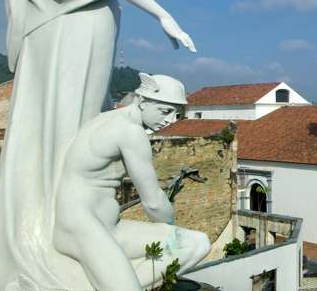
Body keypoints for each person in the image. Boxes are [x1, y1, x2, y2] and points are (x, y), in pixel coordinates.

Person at [0, 0, 195, 290]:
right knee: (68, 114)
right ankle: (63, 240)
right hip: (76, 30)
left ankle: (65, 234)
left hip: (70, 29)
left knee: (71, 118)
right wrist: (163, 15)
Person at [53, 74, 210, 290]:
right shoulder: (130, 132)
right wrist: (169, 229)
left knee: (197, 243)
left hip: (109, 228)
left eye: (176, 113)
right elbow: (153, 201)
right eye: (165, 111)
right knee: (182, 244)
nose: (171, 120)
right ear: (143, 102)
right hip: (83, 229)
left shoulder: (106, 118)